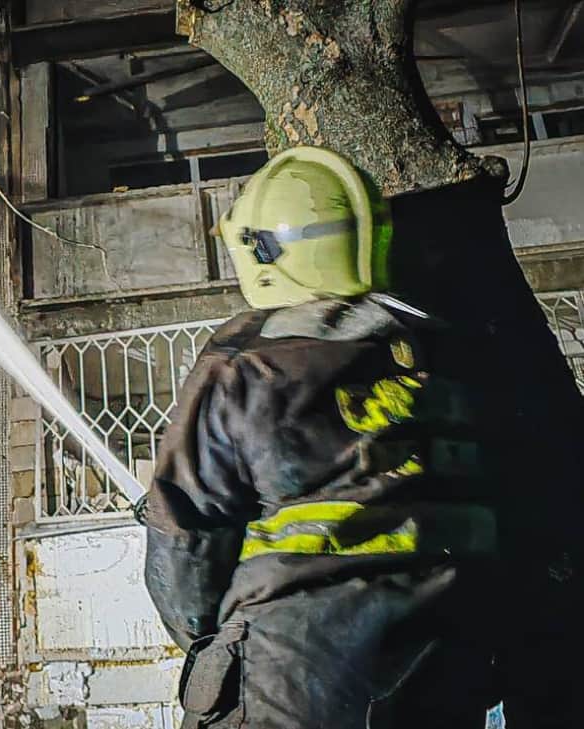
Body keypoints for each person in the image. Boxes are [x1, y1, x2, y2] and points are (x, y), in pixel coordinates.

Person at [135, 146, 499, 728]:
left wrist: (211, 645)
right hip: (440, 675)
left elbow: (184, 540)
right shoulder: (447, 360)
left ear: (264, 252)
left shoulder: (245, 365)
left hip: (287, 684)